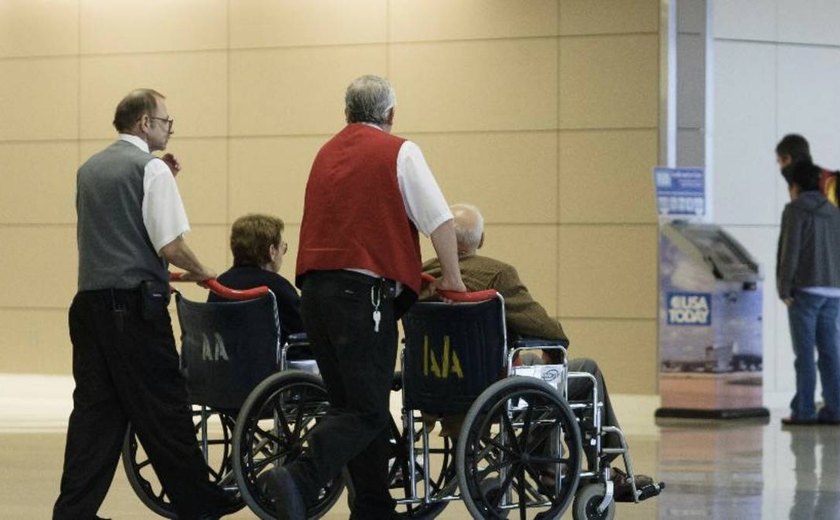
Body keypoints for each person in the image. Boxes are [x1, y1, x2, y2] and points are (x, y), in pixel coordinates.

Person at [258, 75, 465, 520]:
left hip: (315, 294)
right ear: (390, 114)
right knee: (369, 411)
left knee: (349, 407)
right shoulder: (399, 151)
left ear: (346, 113)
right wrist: (453, 278)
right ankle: (300, 476)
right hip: (361, 300)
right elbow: (440, 220)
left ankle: (373, 508)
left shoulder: (325, 153)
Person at [54, 89, 231, 520]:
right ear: (144, 123)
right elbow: (170, 245)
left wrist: (163, 177)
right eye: (166, 121)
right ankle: (199, 505)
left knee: (95, 416)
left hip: (89, 305)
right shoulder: (150, 169)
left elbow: (120, 227)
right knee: (165, 407)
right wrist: (204, 272)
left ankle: (74, 512)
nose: (170, 128)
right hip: (134, 309)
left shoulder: (89, 169)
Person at [422, 203, 653, 499]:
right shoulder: (496, 274)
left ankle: (547, 467)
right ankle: (604, 467)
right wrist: (554, 352)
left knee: (532, 365)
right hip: (489, 389)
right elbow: (545, 329)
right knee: (587, 370)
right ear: (482, 240)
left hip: (435, 387)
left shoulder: (424, 276)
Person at [777, 161, 840, 426]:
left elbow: (790, 251)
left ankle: (804, 410)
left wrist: (784, 287)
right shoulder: (834, 211)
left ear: (795, 186)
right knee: (830, 352)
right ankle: (835, 408)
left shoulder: (795, 210)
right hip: (833, 291)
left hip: (805, 290)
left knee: (804, 354)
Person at [208, 213, 304, 345]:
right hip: (269, 358)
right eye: (283, 247)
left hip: (224, 358)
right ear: (272, 251)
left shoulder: (220, 285)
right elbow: (305, 332)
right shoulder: (277, 287)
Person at [776, 133, 838, 206]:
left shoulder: (800, 187)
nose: (780, 168)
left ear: (787, 159)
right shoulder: (829, 178)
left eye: (779, 162)